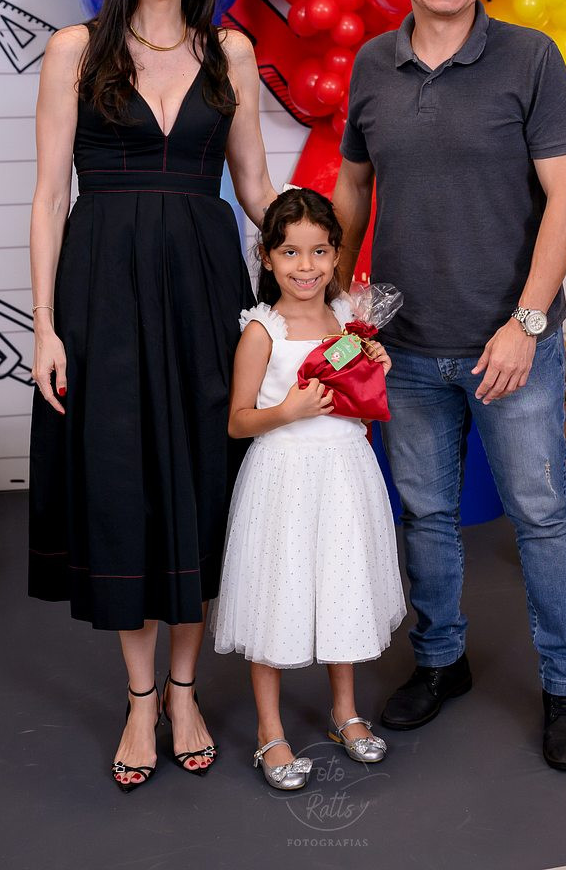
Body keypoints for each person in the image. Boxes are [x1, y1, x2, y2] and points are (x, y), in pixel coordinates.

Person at [332, 0, 566, 771]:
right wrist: (343, 305)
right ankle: (441, 661)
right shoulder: (372, 64)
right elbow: (353, 186)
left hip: (511, 345)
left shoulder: (530, 58)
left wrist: (526, 323)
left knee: (543, 517)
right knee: (427, 516)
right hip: (406, 348)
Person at [28, 0, 276, 792]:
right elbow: (49, 197)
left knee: (202, 484)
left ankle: (184, 691)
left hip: (207, 292)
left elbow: (255, 188)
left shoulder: (231, 52)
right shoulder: (74, 49)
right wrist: (45, 326)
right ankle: (140, 702)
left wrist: (320, 261)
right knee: (125, 487)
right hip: (102, 295)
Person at [213, 188, 405, 790]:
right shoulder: (261, 330)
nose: (306, 266)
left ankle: (344, 713)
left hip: (343, 473)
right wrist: (287, 412)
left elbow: (358, 400)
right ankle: (270, 731)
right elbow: (237, 420)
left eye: (319, 251)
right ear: (267, 258)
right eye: (290, 252)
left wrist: (374, 366)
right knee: (277, 592)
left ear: (336, 254)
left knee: (340, 585)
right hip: (284, 477)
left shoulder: (349, 320)